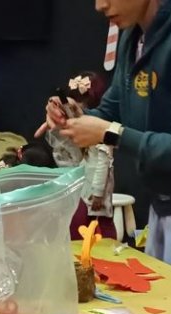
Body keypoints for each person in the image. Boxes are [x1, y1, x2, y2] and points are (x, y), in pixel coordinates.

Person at [39, 0, 171, 285]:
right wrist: (71, 116)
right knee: (165, 309)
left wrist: (108, 132)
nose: (99, 5)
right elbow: (110, 111)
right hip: (167, 204)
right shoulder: (134, 37)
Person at [51, 71, 117, 240]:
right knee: (82, 223)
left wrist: (98, 193)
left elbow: (103, 163)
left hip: (96, 189)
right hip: (83, 184)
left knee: (101, 225)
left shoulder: (99, 129)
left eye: (82, 105)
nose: (77, 110)